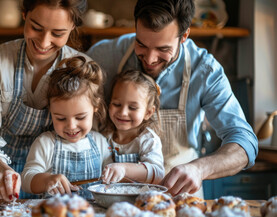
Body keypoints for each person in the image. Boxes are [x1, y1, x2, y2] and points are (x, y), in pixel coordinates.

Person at [86, 0, 258, 196]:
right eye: (141, 44)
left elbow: (245, 143)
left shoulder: (205, 70)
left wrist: (199, 168)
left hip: (179, 199)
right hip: (114, 199)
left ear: (184, 36)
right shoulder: (103, 56)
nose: (150, 59)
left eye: (163, 49)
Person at [0, 0, 90, 201]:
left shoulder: (82, 69)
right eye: (36, 28)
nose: (44, 43)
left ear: (73, 27)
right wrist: (2, 172)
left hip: (46, 185)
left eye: (58, 33)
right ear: (24, 14)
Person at [21, 56, 112, 199]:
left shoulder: (100, 142)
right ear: (50, 110)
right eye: (61, 118)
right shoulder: (46, 143)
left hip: (93, 215)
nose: (71, 126)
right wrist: (46, 180)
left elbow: (111, 180)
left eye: (80, 117)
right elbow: (26, 180)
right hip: (55, 216)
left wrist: (115, 173)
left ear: (96, 107)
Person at [101, 70, 165, 185]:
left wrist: (124, 169)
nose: (123, 112)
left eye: (132, 107)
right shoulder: (104, 136)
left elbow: (158, 173)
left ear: (148, 112)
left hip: (139, 200)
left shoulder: (147, 139)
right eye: (117, 104)